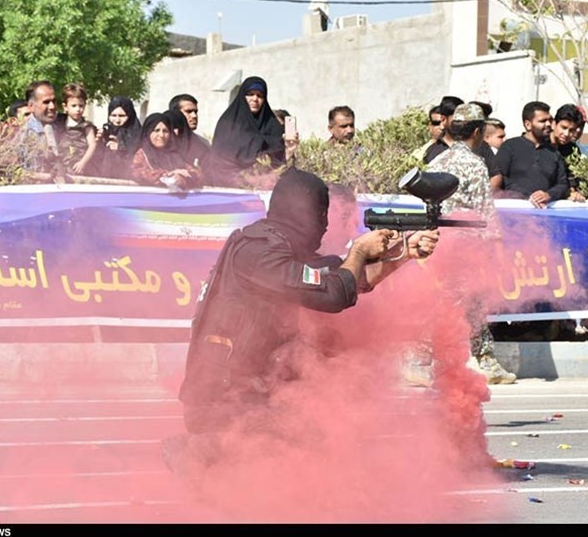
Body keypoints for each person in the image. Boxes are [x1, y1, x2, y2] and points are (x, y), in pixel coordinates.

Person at [166, 167, 439, 475]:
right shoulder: (260, 253)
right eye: (321, 215)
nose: (324, 226)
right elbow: (334, 294)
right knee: (306, 432)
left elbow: (347, 280)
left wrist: (404, 253)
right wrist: (361, 249)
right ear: (305, 214)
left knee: (317, 426)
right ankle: (199, 452)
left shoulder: (273, 247)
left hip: (248, 390)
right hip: (223, 401)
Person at [426, 103, 515, 384]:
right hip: (467, 245)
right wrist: (496, 250)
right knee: (475, 302)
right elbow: (484, 210)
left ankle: (423, 360)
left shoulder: (437, 161)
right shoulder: (475, 165)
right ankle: (485, 361)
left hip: (438, 243)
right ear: (477, 132)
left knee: (440, 300)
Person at [205, 76, 291, 187]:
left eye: (260, 95)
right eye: (250, 94)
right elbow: (220, 160)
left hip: (268, 187)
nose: (255, 99)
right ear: (242, 96)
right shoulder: (228, 123)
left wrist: (290, 150)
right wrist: (246, 179)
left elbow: (280, 163)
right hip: (231, 187)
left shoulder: (273, 126)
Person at [494, 101, 569, 208]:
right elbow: (500, 178)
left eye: (549, 120)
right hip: (513, 210)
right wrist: (528, 196)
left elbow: (563, 184)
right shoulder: (510, 146)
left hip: (544, 212)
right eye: (542, 121)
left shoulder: (554, 153)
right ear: (528, 125)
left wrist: (548, 195)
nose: (548, 124)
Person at [130, 112, 202, 190]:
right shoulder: (141, 154)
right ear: (148, 132)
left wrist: (184, 178)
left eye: (165, 131)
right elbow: (137, 173)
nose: (161, 135)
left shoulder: (175, 155)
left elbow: (197, 175)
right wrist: (171, 175)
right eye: (156, 130)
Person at [96, 96, 142, 179]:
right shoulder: (107, 131)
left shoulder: (137, 136)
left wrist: (120, 148)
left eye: (122, 116)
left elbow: (135, 162)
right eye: (113, 115)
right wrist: (98, 143)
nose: (117, 120)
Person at [20, 80, 61, 174]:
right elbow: (29, 172)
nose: (52, 106)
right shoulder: (26, 135)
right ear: (31, 106)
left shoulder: (59, 128)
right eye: (46, 102)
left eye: (54, 101)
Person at [58, 82, 98, 176]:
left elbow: (92, 145)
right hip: (63, 165)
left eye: (81, 106)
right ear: (65, 107)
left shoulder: (86, 126)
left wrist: (83, 162)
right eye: (74, 106)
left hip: (80, 165)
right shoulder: (61, 124)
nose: (78, 109)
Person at [550, 104, 585, 202]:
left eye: (571, 130)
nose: (566, 134)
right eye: (563, 127)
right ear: (554, 124)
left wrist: (573, 193)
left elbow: (573, 179)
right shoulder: (540, 145)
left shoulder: (572, 150)